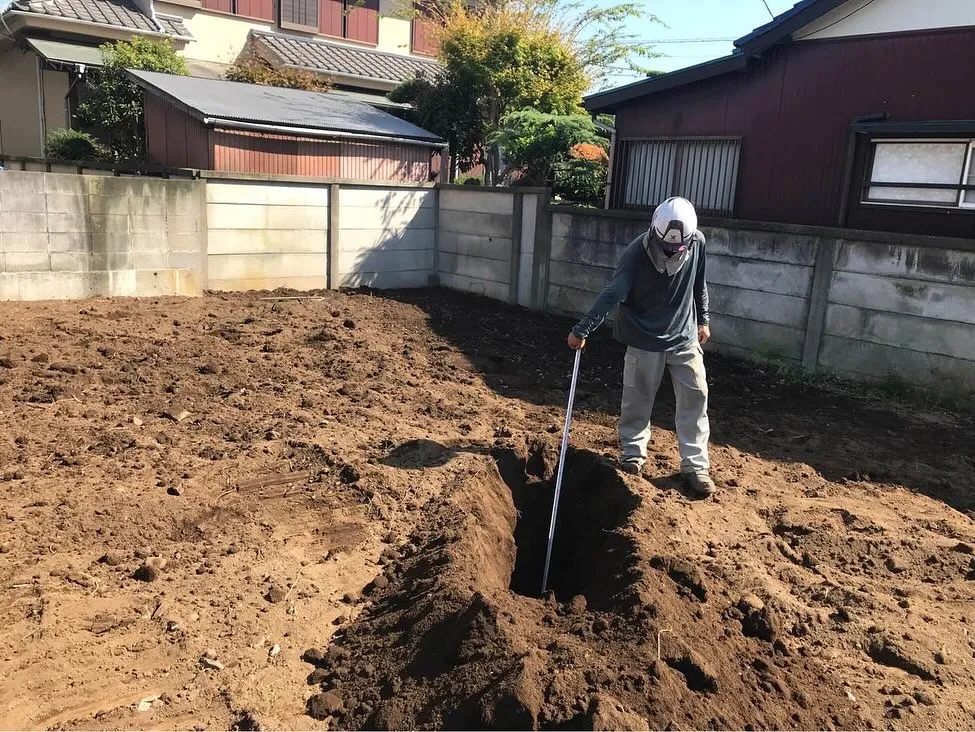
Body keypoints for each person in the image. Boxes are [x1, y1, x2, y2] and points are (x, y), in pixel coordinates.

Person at [567, 196, 715, 497]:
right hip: (644, 339)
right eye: (665, 247)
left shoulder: (697, 242)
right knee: (637, 400)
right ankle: (633, 457)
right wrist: (583, 329)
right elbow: (614, 293)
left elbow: (700, 282)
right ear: (654, 232)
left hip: (684, 337)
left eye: (677, 248)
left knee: (695, 399)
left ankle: (695, 467)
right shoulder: (636, 252)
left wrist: (704, 320)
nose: (671, 252)